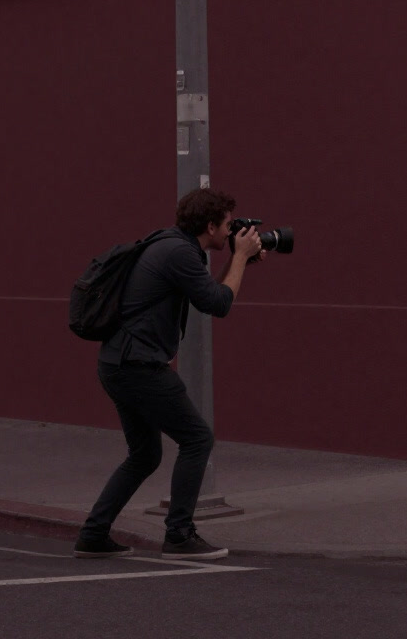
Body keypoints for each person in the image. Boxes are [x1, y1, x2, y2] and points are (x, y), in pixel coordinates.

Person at [73, 187, 264, 560]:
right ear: (210, 225)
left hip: (117, 363)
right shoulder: (178, 252)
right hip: (138, 367)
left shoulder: (171, 244)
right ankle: (178, 535)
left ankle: (93, 535)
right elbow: (219, 304)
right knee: (196, 439)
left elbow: (209, 293)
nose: (231, 232)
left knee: (144, 455)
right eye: (227, 225)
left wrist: (238, 260)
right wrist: (240, 256)